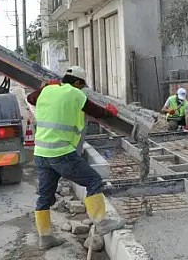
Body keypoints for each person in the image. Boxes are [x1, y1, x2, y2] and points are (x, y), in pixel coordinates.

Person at [27, 66, 126, 250]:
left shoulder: (48, 90)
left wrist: (45, 88)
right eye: (82, 85)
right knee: (94, 180)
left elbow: (30, 98)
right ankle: (101, 222)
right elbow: (95, 111)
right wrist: (110, 112)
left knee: (44, 196)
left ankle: (45, 238)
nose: (82, 89)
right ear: (78, 82)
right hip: (61, 154)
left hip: (41, 154)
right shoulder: (75, 94)